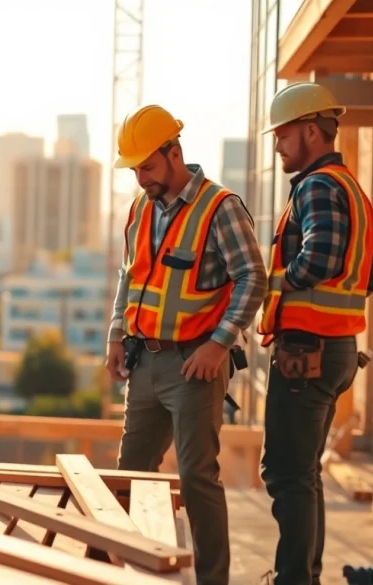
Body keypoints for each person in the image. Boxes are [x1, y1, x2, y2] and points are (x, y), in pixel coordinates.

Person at [105, 104, 267, 585]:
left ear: (174, 152)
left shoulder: (220, 207)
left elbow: (252, 277)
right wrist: (117, 332)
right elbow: (129, 276)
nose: (141, 178)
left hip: (196, 366)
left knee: (197, 480)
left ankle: (212, 581)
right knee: (131, 473)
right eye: (134, 169)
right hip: (144, 362)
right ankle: (127, 573)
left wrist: (219, 344)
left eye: (148, 167)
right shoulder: (140, 209)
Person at [256, 81, 373, 585]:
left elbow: (321, 258)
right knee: (305, 475)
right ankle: (304, 576)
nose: (279, 146)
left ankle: (295, 581)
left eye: (284, 136)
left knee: (286, 474)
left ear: (311, 130)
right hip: (338, 349)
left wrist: (274, 284)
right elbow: (366, 276)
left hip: (307, 352)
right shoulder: (352, 188)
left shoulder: (316, 187)